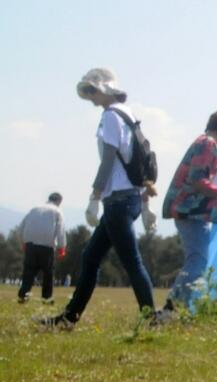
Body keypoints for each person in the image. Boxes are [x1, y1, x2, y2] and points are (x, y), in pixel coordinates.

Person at [40, 68, 156, 329]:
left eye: (92, 90)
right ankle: (69, 318)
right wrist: (145, 203)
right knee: (90, 257)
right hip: (129, 199)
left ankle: (150, 319)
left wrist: (95, 194)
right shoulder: (129, 115)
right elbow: (139, 162)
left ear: (104, 88)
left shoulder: (110, 116)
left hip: (117, 201)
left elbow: (109, 159)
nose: (90, 97)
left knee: (131, 262)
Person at [160, 110, 217, 314]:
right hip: (190, 210)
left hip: (189, 211)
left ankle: (177, 308)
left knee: (197, 259)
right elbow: (198, 179)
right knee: (197, 261)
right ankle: (171, 310)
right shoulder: (209, 144)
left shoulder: (204, 143)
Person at [17, 192, 66, 304]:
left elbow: (20, 228)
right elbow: (61, 231)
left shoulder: (34, 209)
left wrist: (23, 242)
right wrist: (61, 247)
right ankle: (46, 298)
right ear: (59, 201)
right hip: (47, 246)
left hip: (30, 244)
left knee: (28, 272)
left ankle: (23, 296)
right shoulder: (57, 211)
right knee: (48, 274)